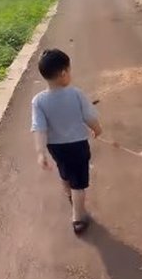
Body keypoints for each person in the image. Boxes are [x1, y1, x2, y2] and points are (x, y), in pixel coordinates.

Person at [31, 48, 102, 235]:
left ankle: (68, 193)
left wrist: (40, 152)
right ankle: (78, 217)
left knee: (65, 171)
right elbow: (89, 117)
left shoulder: (38, 101)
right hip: (78, 145)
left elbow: (39, 128)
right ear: (63, 73)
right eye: (69, 70)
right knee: (79, 183)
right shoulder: (76, 94)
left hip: (56, 147)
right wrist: (97, 129)